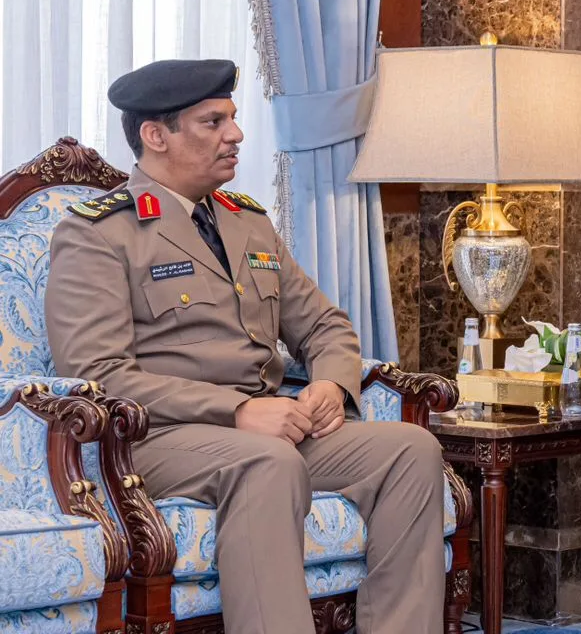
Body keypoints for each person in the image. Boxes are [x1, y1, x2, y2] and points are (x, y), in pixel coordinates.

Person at [45, 60, 445, 634]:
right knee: (266, 462)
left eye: (232, 119)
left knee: (411, 449)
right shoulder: (99, 233)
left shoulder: (248, 222)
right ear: (156, 135)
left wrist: (331, 384)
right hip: (159, 439)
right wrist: (236, 410)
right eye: (213, 122)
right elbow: (97, 374)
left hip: (270, 428)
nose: (235, 135)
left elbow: (325, 324)